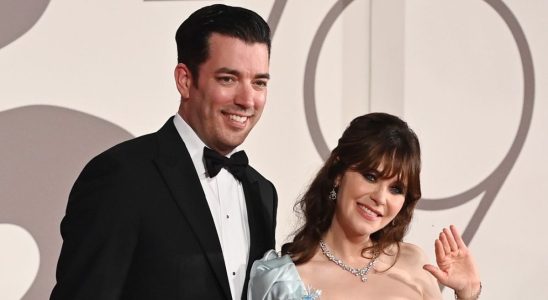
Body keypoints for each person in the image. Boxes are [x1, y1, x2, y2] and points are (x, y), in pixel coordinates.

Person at [50, 4, 277, 300]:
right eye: (228, 79)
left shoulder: (262, 193)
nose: (247, 100)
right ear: (185, 80)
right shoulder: (122, 176)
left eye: (258, 82)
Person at [248, 113, 481, 300]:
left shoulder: (414, 263)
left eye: (396, 189)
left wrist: (468, 294)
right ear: (339, 173)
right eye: (370, 176)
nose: (380, 197)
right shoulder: (284, 281)